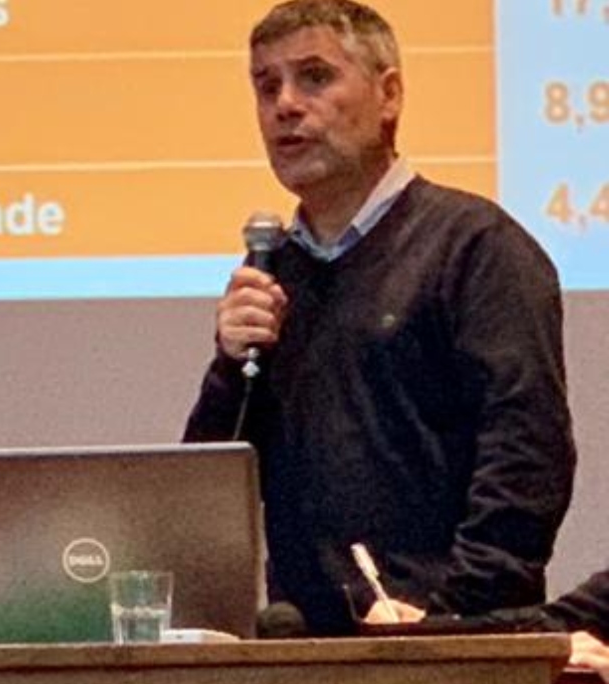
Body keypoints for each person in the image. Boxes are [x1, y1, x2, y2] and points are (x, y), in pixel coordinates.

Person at [182, 0, 575, 636]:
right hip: (304, 648)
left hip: (449, 639)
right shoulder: (273, 271)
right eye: (266, 85)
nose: (285, 104)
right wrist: (230, 367)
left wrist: (451, 617)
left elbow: (526, 455)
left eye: (314, 77)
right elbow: (205, 492)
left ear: (389, 94)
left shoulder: (475, 246)